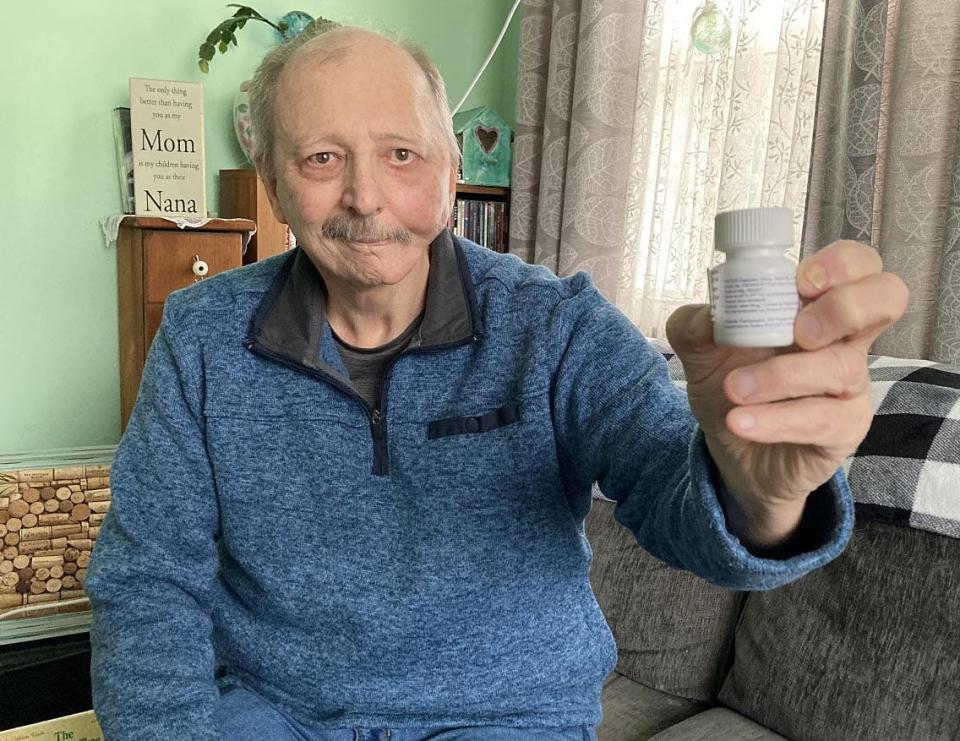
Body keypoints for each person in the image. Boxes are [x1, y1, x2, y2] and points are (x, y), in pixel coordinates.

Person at [86, 24, 908, 741]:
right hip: (274, 713)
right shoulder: (200, 337)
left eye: (401, 154)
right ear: (273, 183)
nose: (365, 197)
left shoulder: (557, 328)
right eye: (322, 157)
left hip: (506, 716)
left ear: (449, 175)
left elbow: (670, 490)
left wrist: (757, 492)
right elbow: (147, 581)